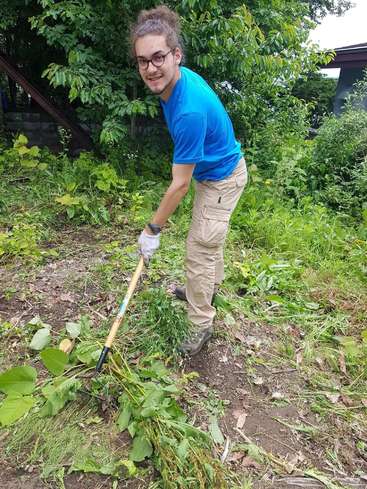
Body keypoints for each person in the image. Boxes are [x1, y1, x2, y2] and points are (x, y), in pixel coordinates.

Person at [132, 5, 247, 355]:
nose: (150, 68)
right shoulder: (175, 84)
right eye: (142, 61)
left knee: (199, 250)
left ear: (176, 55)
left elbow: (179, 184)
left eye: (158, 57)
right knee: (209, 239)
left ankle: (200, 323)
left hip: (222, 179)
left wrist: (153, 229)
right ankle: (207, 289)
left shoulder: (189, 110)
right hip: (212, 174)